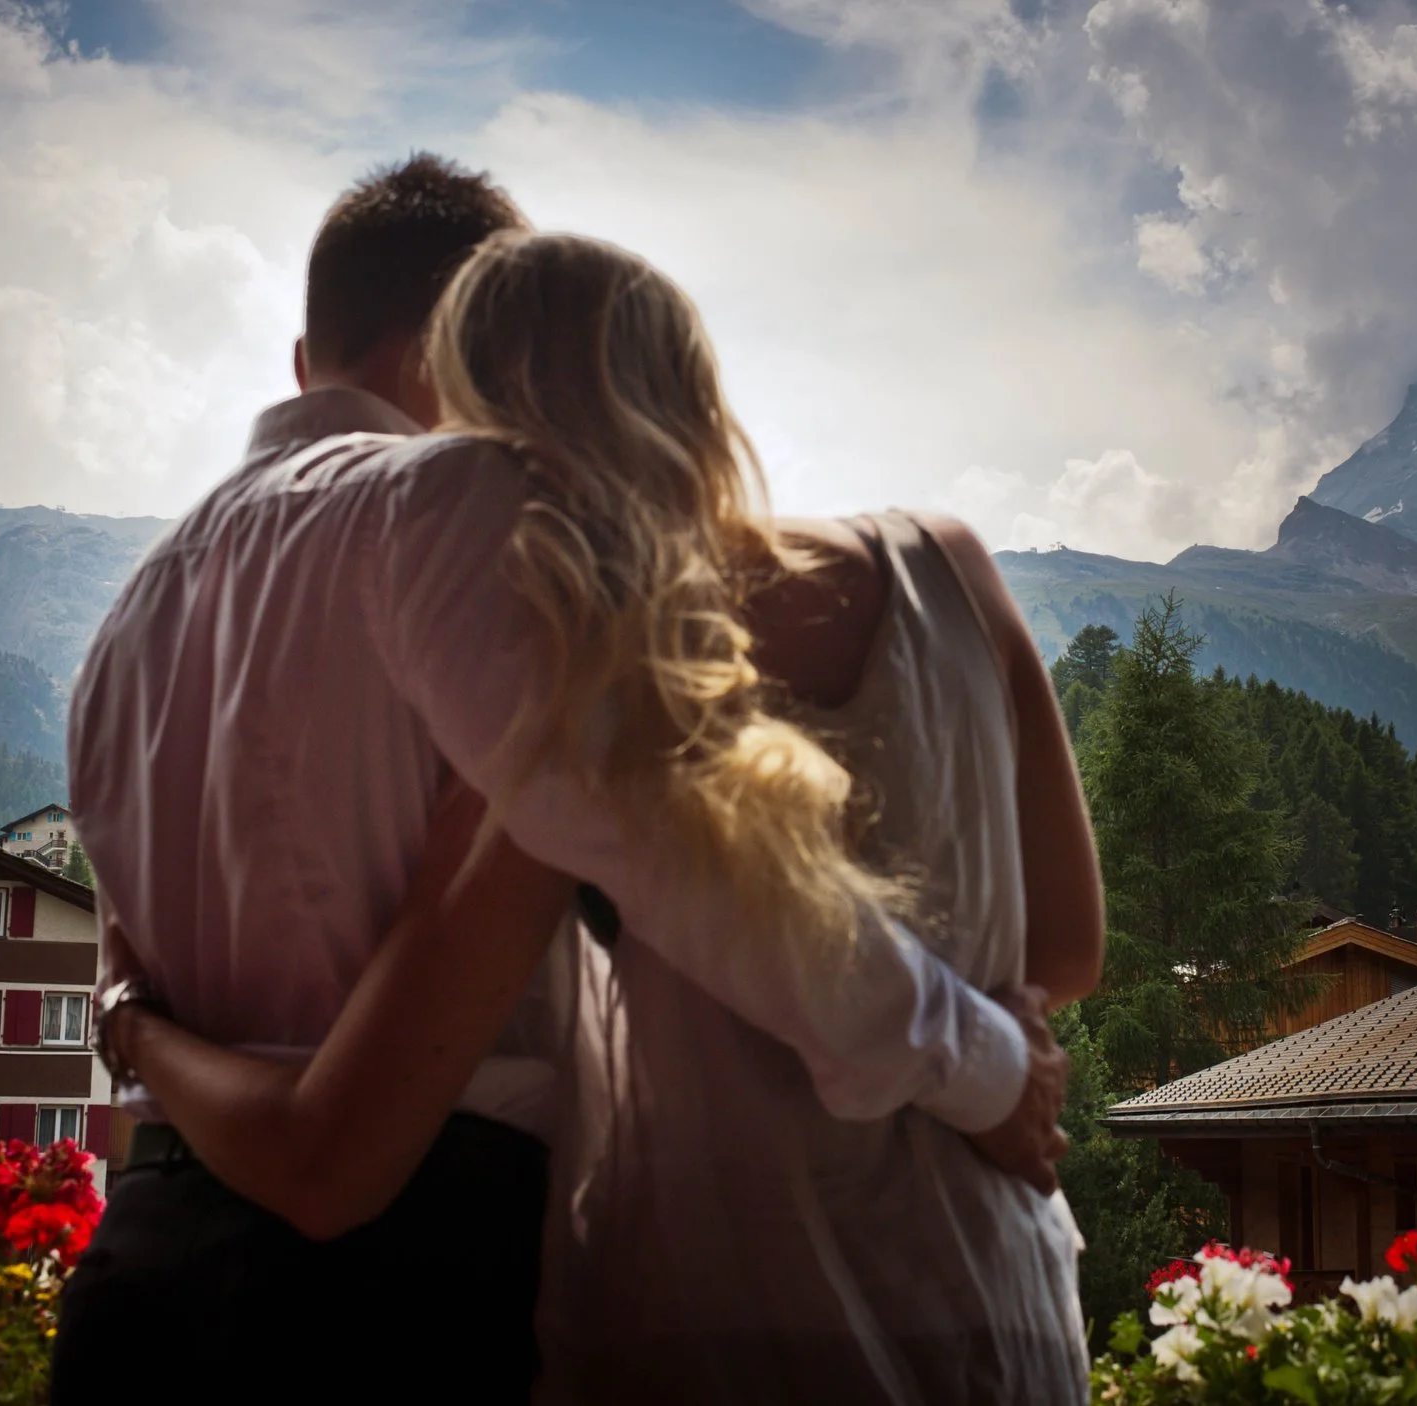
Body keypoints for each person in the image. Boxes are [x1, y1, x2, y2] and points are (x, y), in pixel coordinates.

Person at [55, 158, 1069, 1403]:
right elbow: (696, 859)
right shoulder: (448, 505)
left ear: (303, 352)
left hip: (142, 1271)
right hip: (395, 1292)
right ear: (466, 349)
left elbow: (145, 967)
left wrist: (128, 1028)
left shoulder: (124, 622)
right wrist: (987, 1063)